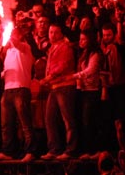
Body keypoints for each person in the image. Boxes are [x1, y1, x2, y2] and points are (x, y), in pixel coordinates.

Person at [0, 26, 36, 162]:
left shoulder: (25, 47)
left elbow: (15, 42)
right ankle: (8, 151)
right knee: (6, 124)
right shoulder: (8, 52)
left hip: (21, 88)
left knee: (25, 123)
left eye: (13, 34)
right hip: (8, 89)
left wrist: (8, 33)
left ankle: (31, 151)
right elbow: (5, 72)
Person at [40, 24, 77, 160]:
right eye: (50, 32)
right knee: (50, 118)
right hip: (55, 86)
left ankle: (71, 150)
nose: (52, 35)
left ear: (61, 34)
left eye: (56, 32)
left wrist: (49, 77)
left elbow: (64, 65)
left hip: (65, 85)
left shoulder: (65, 47)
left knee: (67, 119)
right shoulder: (52, 48)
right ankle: (54, 149)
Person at [73, 31, 103, 159]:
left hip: (92, 90)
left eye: (84, 39)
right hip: (83, 90)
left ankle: (93, 150)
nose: (81, 42)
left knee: (89, 121)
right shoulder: (82, 54)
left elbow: (90, 70)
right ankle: (87, 150)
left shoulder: (95, 54)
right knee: (84, 121)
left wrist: (75, 76)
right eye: (80, 39)